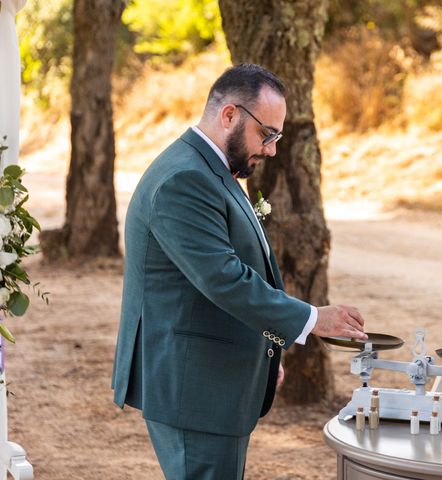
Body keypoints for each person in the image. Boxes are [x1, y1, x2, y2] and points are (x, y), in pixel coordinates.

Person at [111, 63, 367, 479]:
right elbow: (222, 277)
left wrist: (263, 354)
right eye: (267, 134)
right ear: (229, 115)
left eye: (277, 137)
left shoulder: (207, 168)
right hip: (194, 388)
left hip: (213, 378)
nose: (271, 150)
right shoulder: (184, 179)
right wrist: (313, 318)